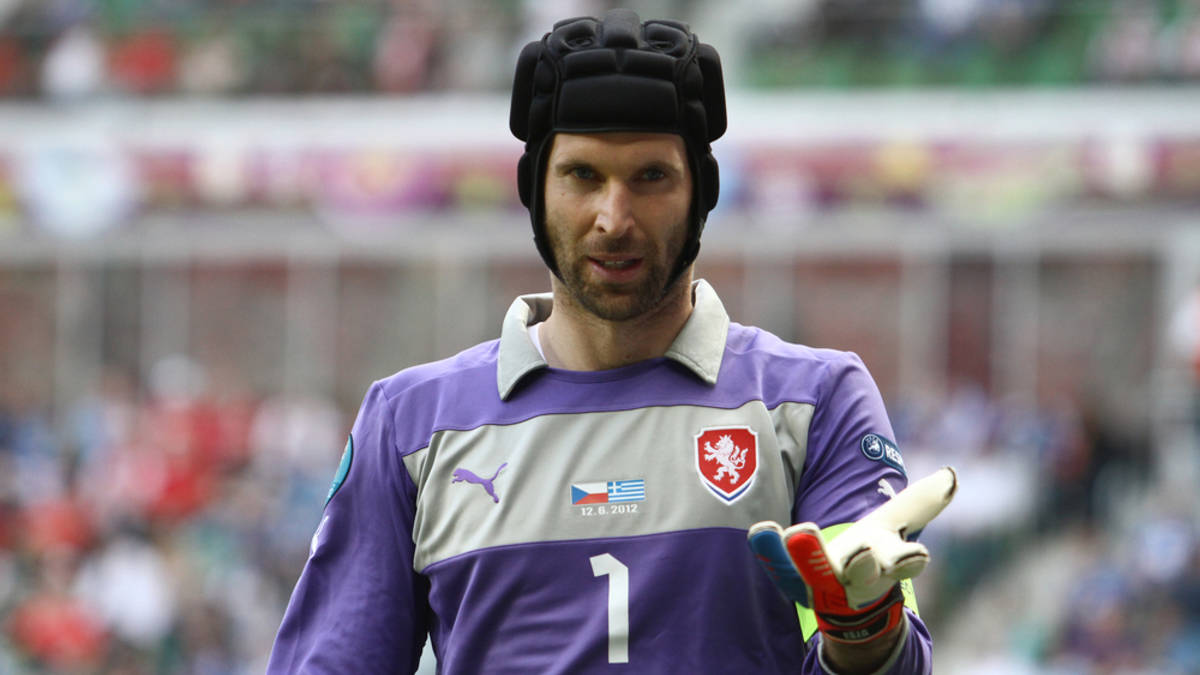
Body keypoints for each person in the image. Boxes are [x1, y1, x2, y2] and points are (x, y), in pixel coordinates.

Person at [267, 9, 956, 674]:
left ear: (702, 193)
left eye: (651, 177)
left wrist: (861, 629)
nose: (614, 217)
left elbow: (886, 662)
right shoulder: (410, 425)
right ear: (535, 190)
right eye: (583, 175)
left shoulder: (814, 403)